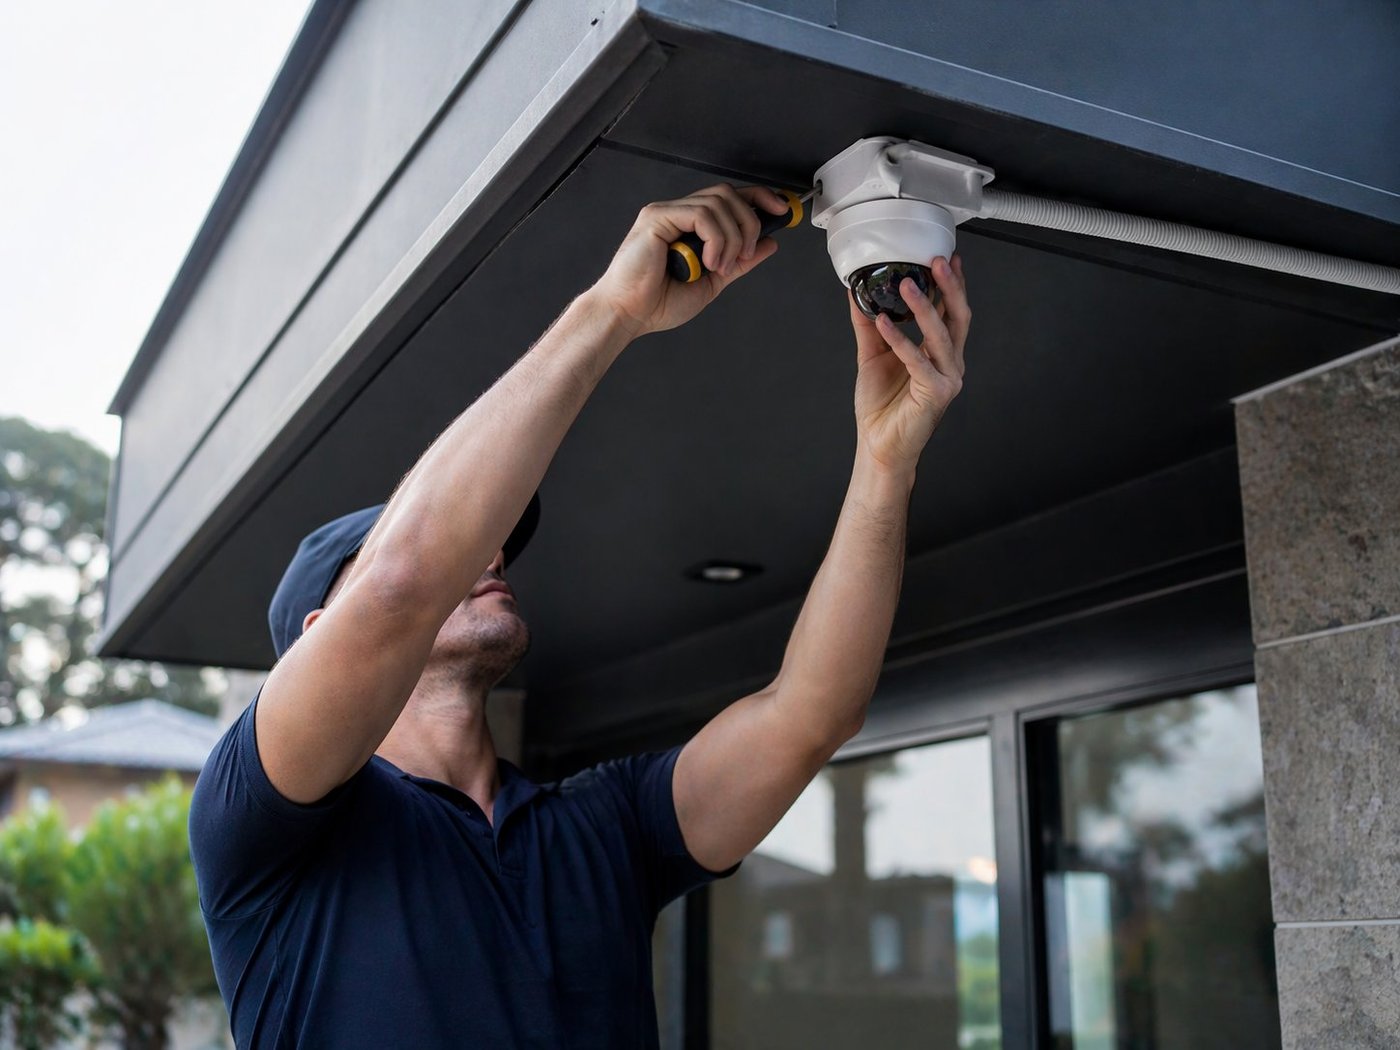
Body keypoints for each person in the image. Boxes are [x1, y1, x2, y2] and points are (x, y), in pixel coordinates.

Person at [189, 183, 971, 1049]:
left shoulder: (604, 825)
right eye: (463, 543)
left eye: (490, 544)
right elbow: (399, 587)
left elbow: (810, 715)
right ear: (313, 639)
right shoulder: (268, 819)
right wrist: (613, 308)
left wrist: (885, 460)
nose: (485, 554)